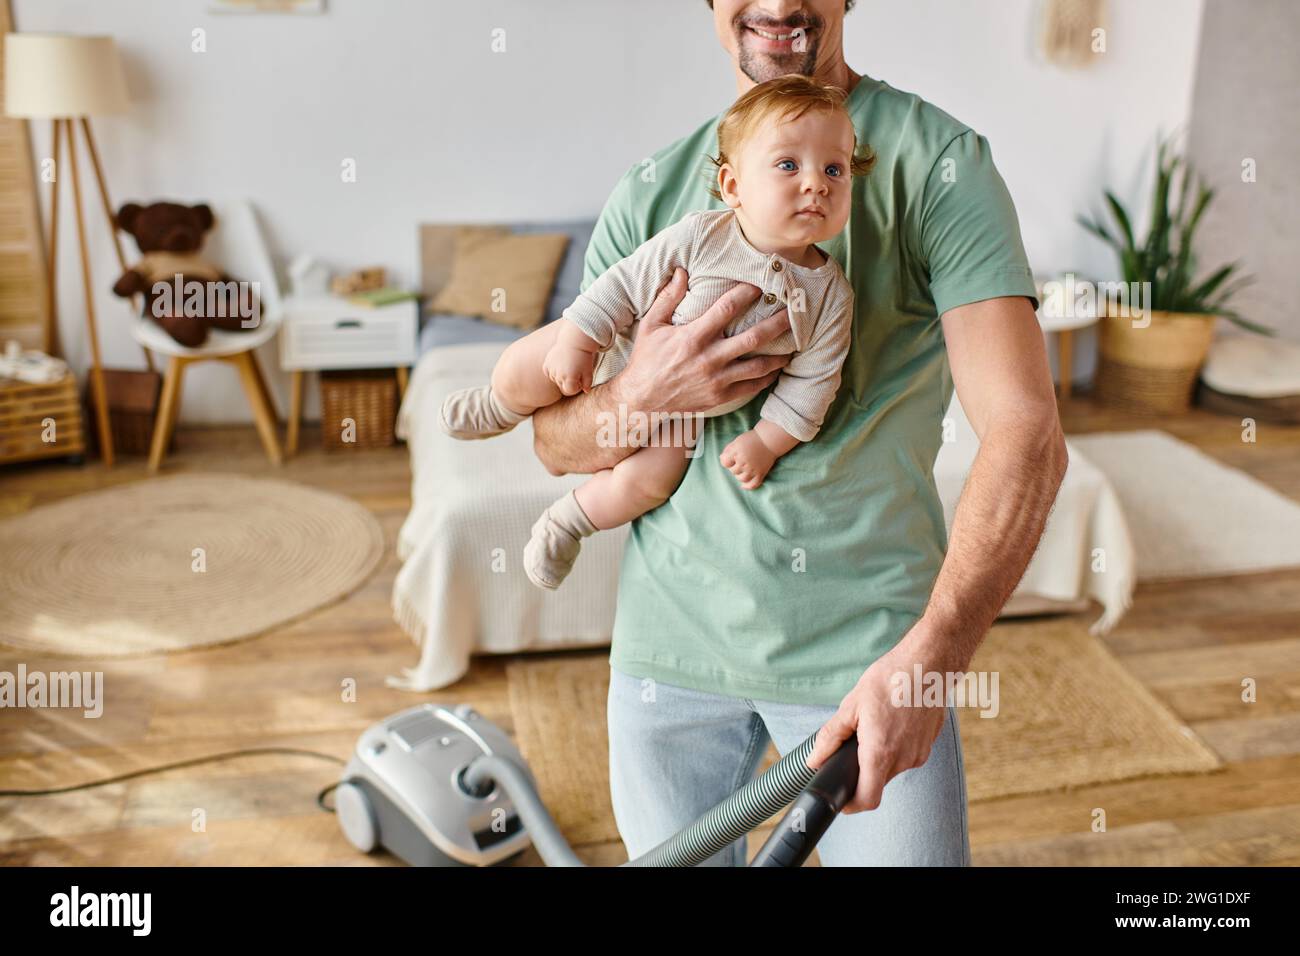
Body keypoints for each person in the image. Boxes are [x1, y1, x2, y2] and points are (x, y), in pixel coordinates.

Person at [532, 0, 1068, 866]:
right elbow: (554, 442)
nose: (779, 4)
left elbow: (1027, 433)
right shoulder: (652, 191)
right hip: (668, 663)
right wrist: (643, 390)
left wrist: (931, 656)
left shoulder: (941, 165)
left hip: (871, 662)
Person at [439, 75, 871, 591]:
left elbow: (813, 384)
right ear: (733, 187)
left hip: (686, 414)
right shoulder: (701, 236)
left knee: (649, 484)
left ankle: (566, 523)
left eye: (835, 169)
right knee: (526, 365)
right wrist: (581, 339)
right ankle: (499, 407)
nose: (816, 183)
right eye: (787, 165)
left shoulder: (830, 296)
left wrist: (766, 443)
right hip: (613, 344)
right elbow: (622, 284)